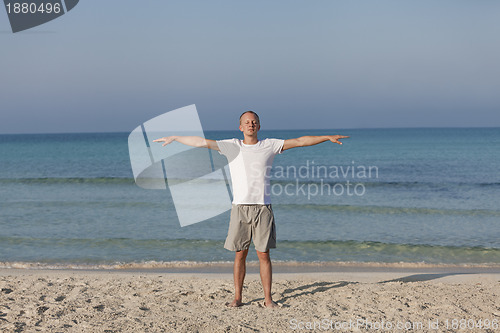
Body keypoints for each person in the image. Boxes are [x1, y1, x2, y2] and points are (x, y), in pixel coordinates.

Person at [154, 111, 348, 308]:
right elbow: (201, 142)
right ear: (240, 127)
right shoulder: (231, 146)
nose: (251, 124)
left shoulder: (269, 145)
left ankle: (268, 299)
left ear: (259, 126)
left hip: (263, 208)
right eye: (246, 122)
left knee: (263, 254)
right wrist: (176, 138)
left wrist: (326, 137)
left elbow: (299, 141)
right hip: (240, 208)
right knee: (240, 254)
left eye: (254, 121)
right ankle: (238, 298)